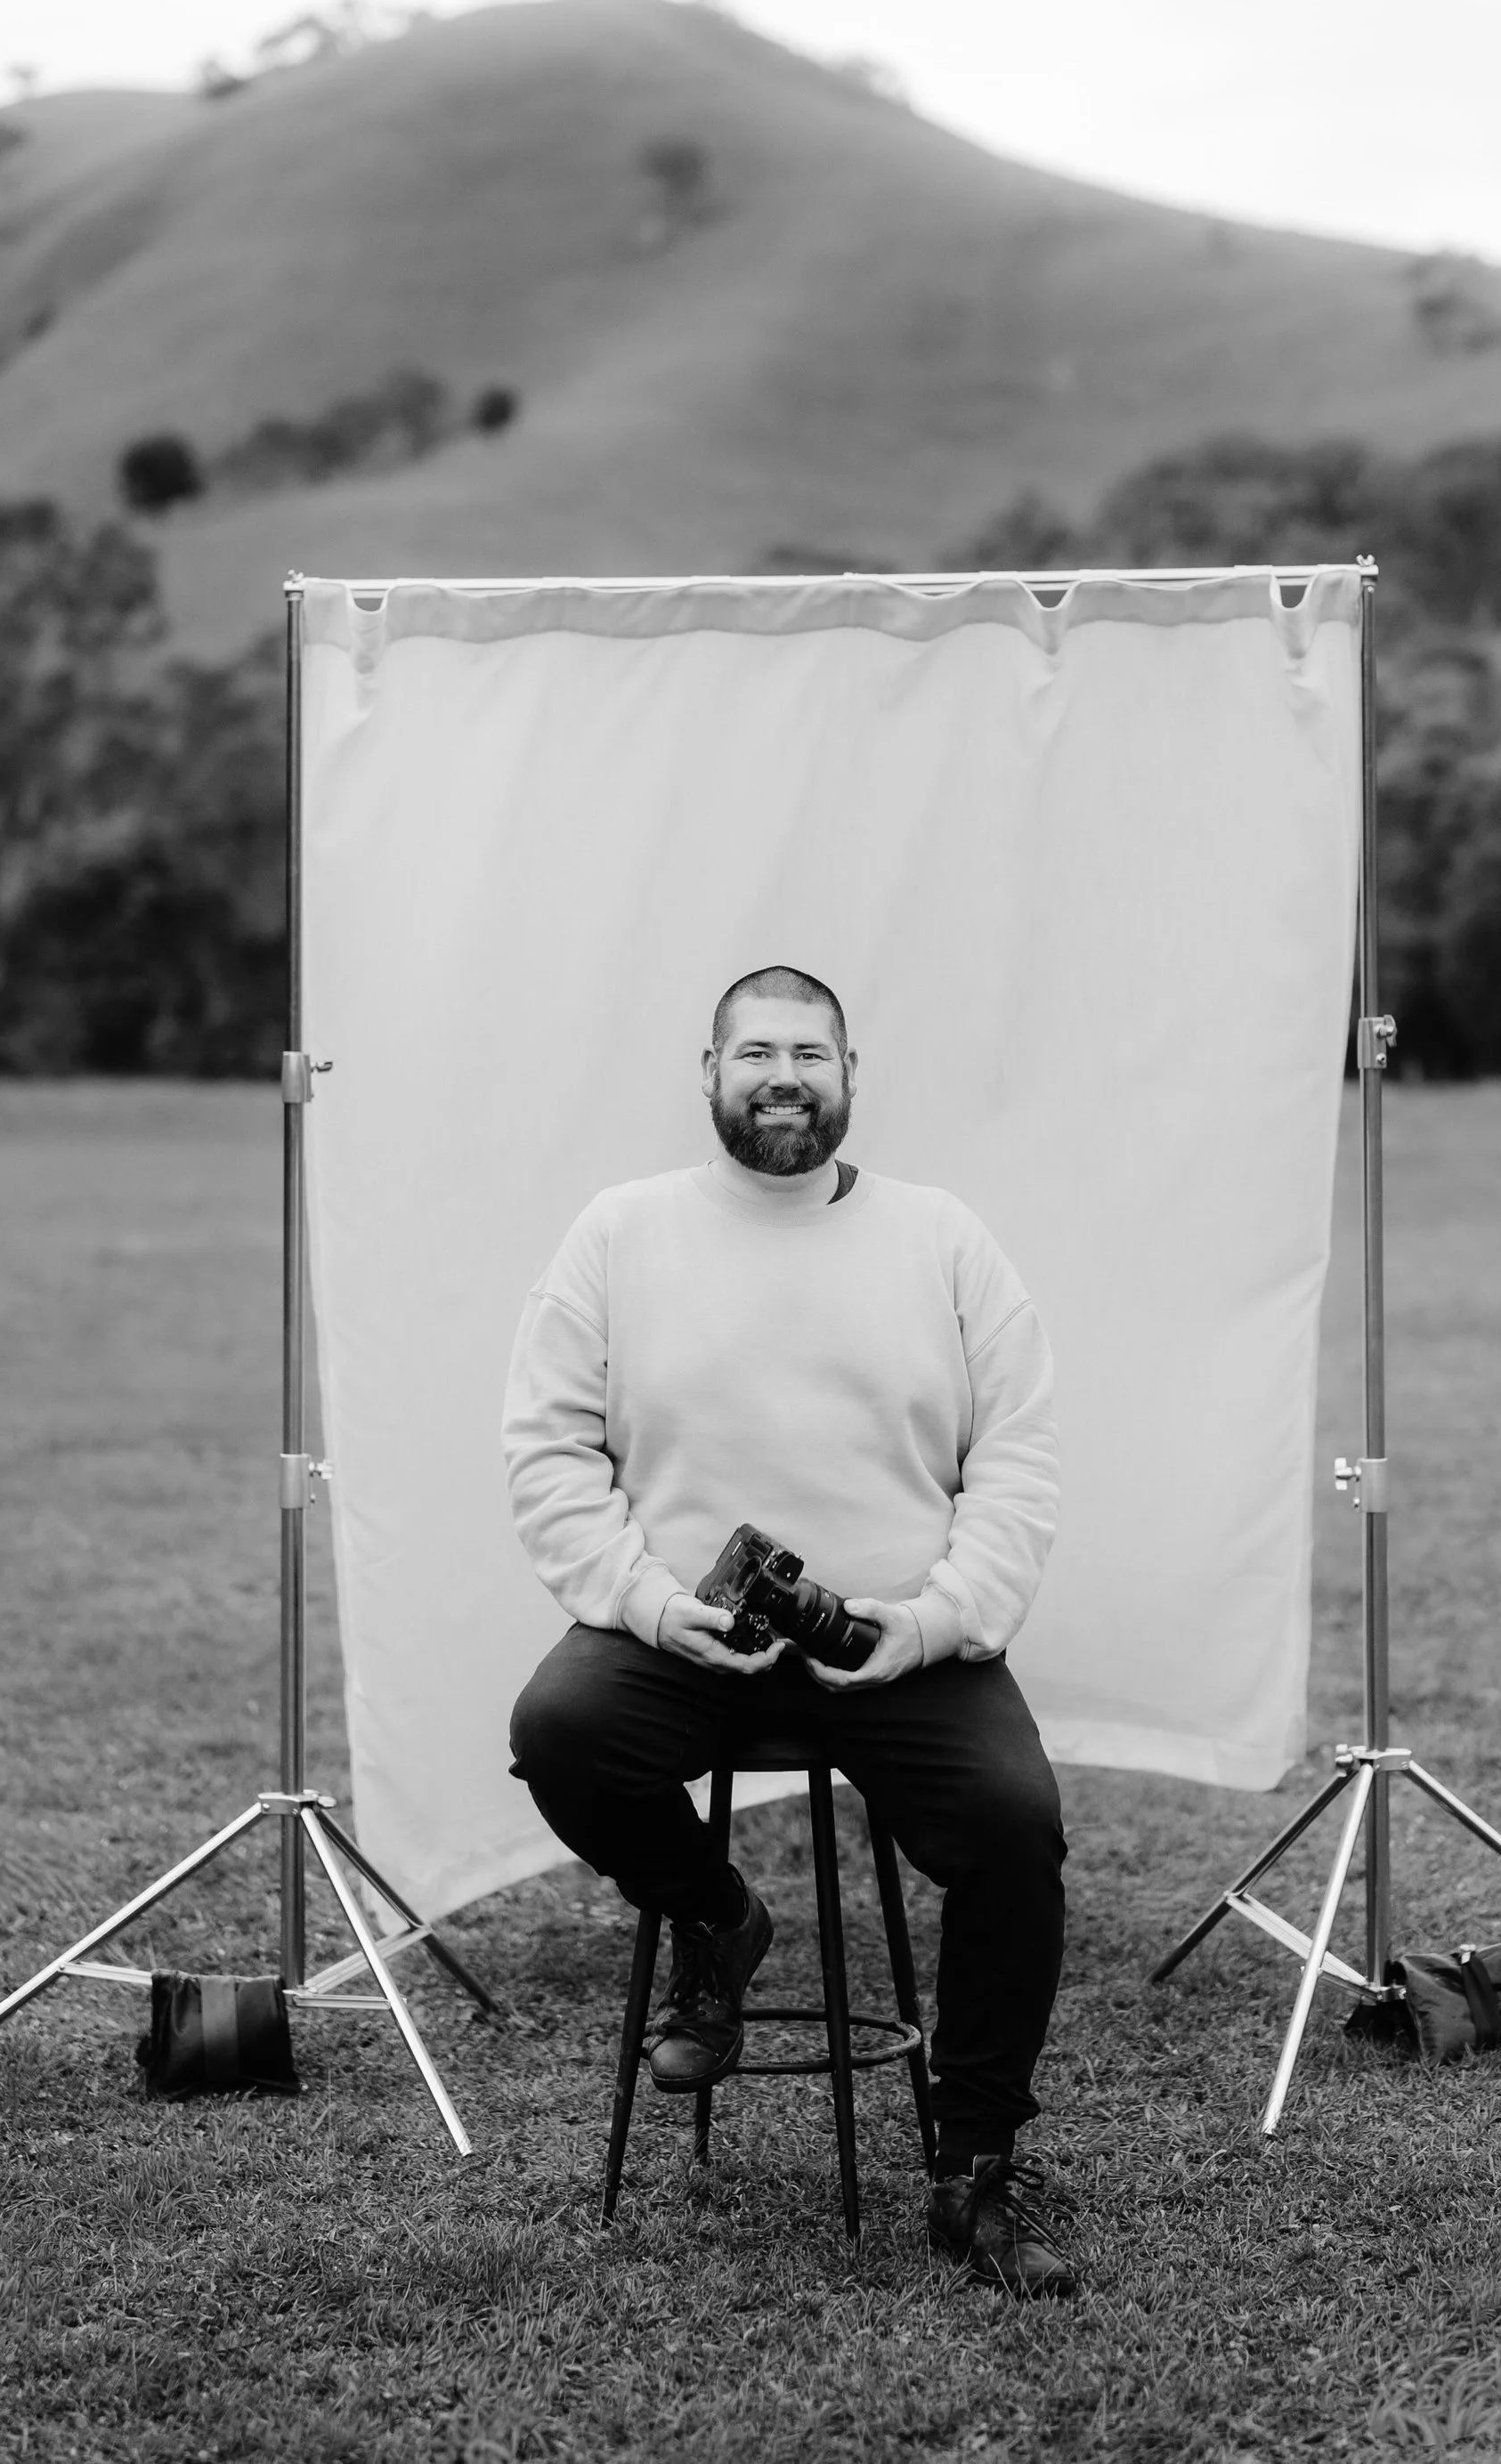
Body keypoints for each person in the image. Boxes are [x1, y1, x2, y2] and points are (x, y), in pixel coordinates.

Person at [504, 962, 1074, 2298]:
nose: (783, 1076)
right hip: (686, 1630)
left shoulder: (941, 1236)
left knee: (1014, 1827)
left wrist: (932, 1623)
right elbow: (547, 1452)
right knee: (561, 1733)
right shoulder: (620, 1232)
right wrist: (652, 1606)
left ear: (851, 1075)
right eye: (756, 1051)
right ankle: (716, 1919)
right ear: (708, 1072)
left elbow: (1020, 1458)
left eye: (810, 1053)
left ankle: (975, 2165)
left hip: (894, 1636)